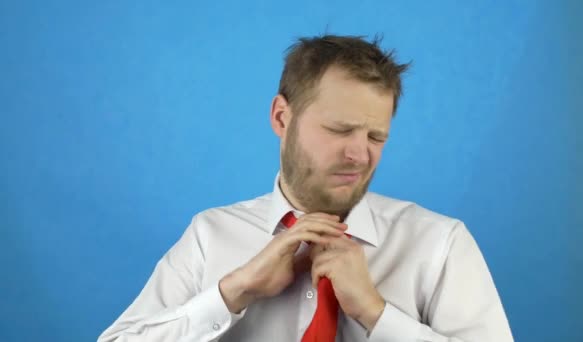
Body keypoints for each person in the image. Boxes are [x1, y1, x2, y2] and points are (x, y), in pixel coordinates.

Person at [98, 34, 513, 342]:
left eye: (375, 137)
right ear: (281, 118)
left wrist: (376, 314)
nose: (359, 154)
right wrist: (232, 292)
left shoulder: (439, 244)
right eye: (340, 130)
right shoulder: (210, 235)